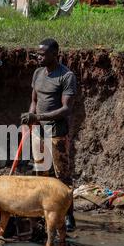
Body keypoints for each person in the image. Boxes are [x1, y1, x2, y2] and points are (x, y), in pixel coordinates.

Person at [21, 38, 77, 232]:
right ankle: (42, 214)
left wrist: (39, 117)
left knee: (62, 176)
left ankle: (69, 215)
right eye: (38, 53)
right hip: (39, 131)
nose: (39, 57)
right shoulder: (37, 73)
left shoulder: (66, 76)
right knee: (40, 175)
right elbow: (34, 101)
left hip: (57, 132)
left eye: (43, 54)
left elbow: (66, 109)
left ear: (55, 54)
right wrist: (30, 119)